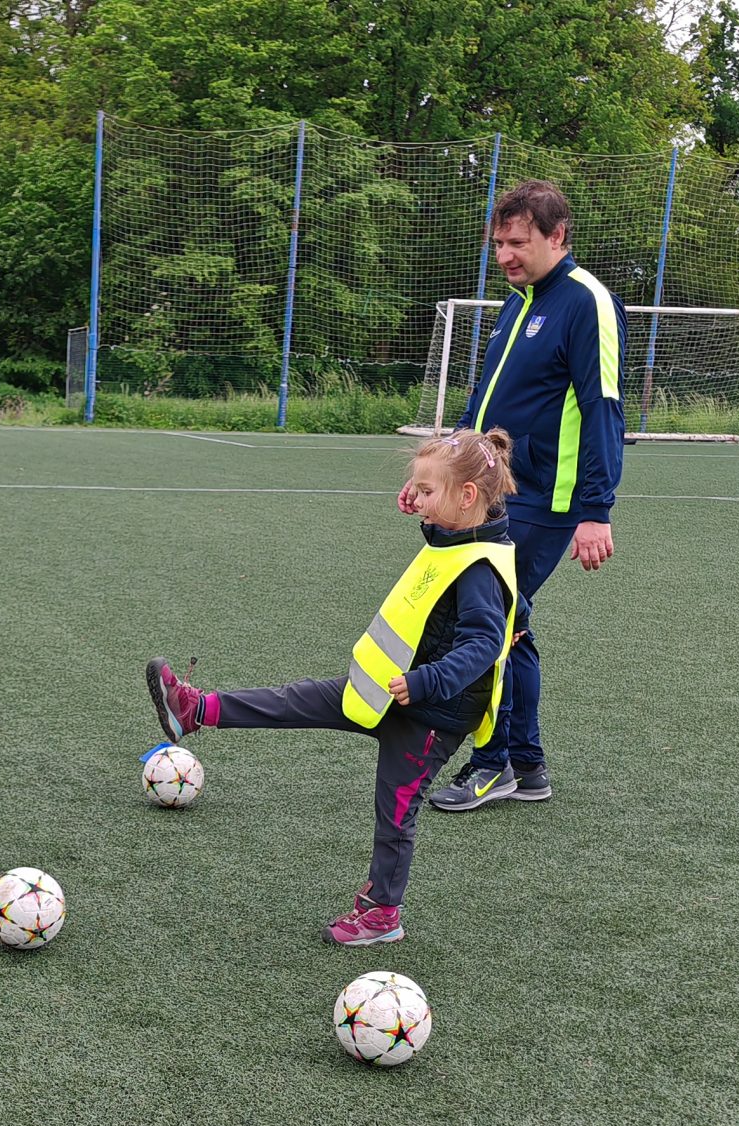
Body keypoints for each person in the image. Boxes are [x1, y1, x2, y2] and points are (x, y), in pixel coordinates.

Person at [144, 431, 521, 947]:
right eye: (415, 488)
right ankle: (194, 710)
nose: (416, 499)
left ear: (467, 496)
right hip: (385, 689)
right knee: (295, 700)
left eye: (426, 491)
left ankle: (382, 914)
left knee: (395, 813)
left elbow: (481, 644)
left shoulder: (479, 566)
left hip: (429, 713)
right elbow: (473, 581)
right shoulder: (462, 538)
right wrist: (428, 507)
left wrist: (424, 682)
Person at [400, 180, 624, 812]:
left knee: (488, 623)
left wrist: (595, 510)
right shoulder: (517, 302)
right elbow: (483, 404)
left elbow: (604, 408)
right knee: (509, 624)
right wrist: (436, 474)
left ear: (558, 236)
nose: (505, 255)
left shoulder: (587, 303)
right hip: (498, 493)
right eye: (498, 243)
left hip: (547, 499)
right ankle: (525, 766)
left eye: (518, 242)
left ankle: (494, 762)